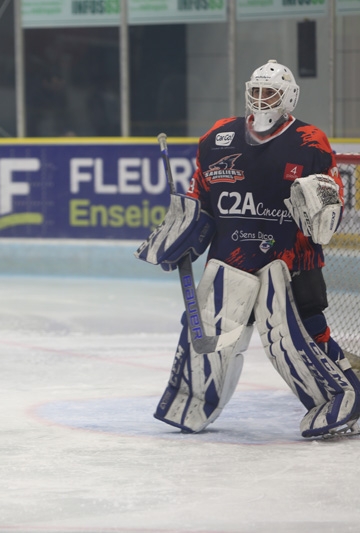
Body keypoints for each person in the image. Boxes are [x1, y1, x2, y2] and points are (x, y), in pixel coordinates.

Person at [136, 59, 360, 438]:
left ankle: (343, 401)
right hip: (229, 259)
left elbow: (329, 212)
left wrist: (322, 205)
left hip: (289, 262)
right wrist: (186, 230)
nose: (260, 99)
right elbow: (202, 198)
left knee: (295, 337)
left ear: (288, 97)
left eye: (269, 92)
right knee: (207, 332)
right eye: (254, 91)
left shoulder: (309, 141)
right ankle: (190, 401)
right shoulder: (217, 137)